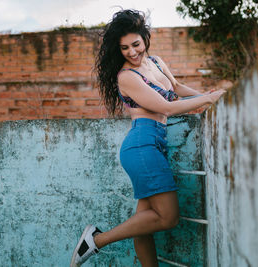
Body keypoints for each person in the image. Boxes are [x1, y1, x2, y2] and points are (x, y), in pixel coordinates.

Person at [70, 9, 227, 267]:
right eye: (124, 48)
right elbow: (165, 107)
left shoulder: (155, 62)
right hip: (141, 146)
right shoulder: (126, 77)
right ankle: (96, 241)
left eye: (136, 44)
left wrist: (207, 95)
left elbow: (176, 90)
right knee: (168, 218)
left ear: (145, 38)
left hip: (155, 144)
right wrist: (207, 99)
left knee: (143, 223)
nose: (132, 52)